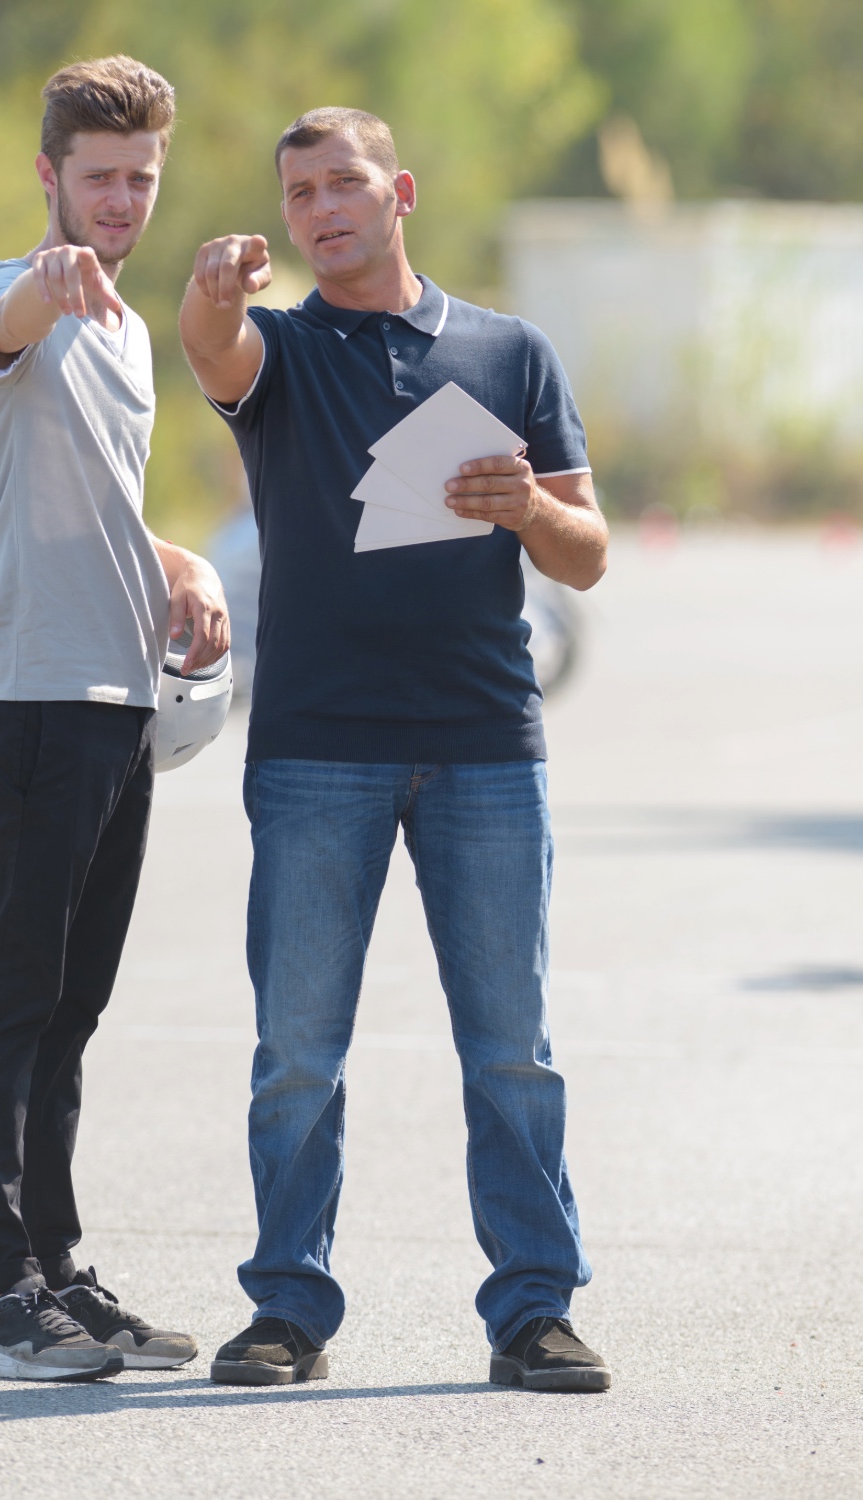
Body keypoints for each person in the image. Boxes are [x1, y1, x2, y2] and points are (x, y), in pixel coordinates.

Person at [179, 108, 610, 1391]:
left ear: (400, 191)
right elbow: (210, 349)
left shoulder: (509, 350)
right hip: (316, 748)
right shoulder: (282, 354)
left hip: (486, 745)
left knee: (513, 1049)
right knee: (298, 1050)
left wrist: (525, 503)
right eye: (298, 190)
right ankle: (289, 1311)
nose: (321, 206)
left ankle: (534, 1309)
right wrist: (209, 296)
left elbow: (587, 554)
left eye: (344, 182)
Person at [0, 56, 229, 1382]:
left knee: (70, 1011)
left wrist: (177, 565)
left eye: (141, 179)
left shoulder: (129, 335)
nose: (122, 203)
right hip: (22, 701)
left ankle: (55, 1269)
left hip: (116, 708)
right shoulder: (8, 299)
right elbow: (5, 329)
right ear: (49, 177)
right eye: (98, 180)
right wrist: (41, 285)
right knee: (2, 1005)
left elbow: (87, 509)